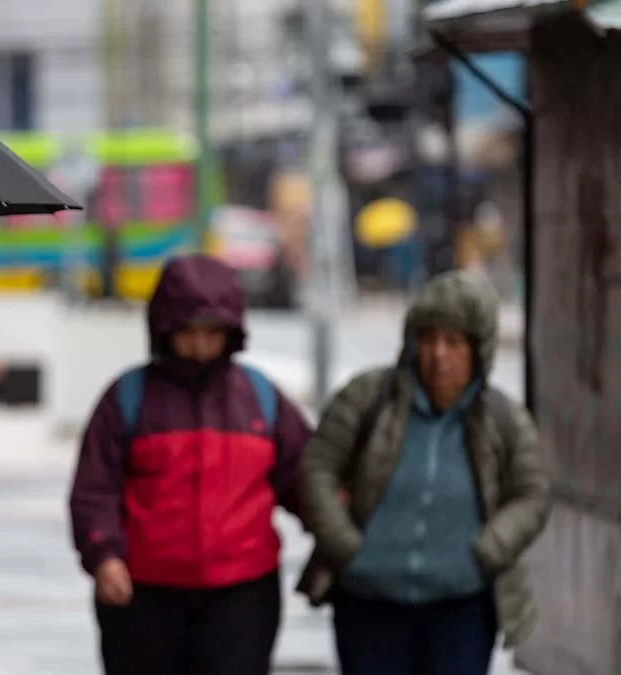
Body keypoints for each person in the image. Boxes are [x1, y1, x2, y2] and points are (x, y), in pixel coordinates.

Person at [296, 270, 552, 675]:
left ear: (478, 350)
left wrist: (489, 549)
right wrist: (346, 546)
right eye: (427, 338)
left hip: (461, 611)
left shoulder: (502, 418)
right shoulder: (367, 398)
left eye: (453, 342)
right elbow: (316, 468)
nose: (438, 354)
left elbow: (533, 493)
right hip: (369, 606)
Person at [69, 254, 313, 675]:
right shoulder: (127, 399)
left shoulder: (262, 399)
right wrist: (104, 555)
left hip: (241, 595)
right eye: (188, 332)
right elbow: (95, 489)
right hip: (144, 596)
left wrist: (340, 535)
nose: (200, 346)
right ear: (165, 329)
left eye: (211, 333)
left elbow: (307, 479)